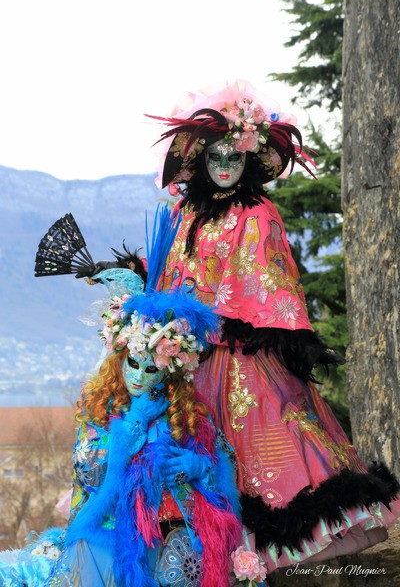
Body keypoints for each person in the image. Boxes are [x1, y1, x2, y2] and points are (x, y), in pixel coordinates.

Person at [142, 80, 400, 571]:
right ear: (198, 160)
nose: (222, 166)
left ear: (248, 159)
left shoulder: (259, 213)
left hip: (248, 357)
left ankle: (257, 555)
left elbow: (270, 282)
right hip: (190, 359)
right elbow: (172, 278)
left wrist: (231, 321)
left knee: (267, 448)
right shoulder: (184, 212)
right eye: (214, 157)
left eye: (232, 157)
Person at [0, 213, 249, 587]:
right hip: (112, 533)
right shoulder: (99, 406)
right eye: (133, 364)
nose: (138, 377)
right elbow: (92, 476)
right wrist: (131, 425)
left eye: (152, 370)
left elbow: (224, 462)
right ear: (120, 356)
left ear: (170, 370)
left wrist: (198, 467)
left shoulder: (188, 411)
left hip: (176, 540)